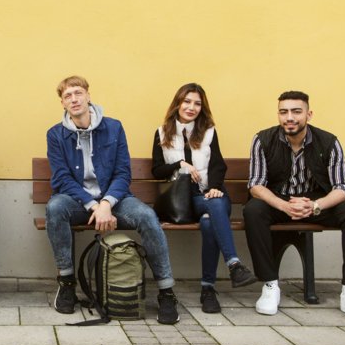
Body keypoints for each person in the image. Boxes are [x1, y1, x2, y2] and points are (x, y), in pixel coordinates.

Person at [46, 75, 180, 324]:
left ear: (88, 95)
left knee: (147, 216)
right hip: (78, 201)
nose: (74, 99)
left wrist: (106, 203)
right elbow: (62, 178)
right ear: (63, 104)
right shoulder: (55, 135)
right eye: (67, 96)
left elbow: (122, 173)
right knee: (55, 208)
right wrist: (94, 205)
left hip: (115, 199)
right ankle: (66, 283)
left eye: (77, 93)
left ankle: (166, 291)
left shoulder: (114, 127)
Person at [244, 91, 345, 323]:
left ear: (309, 114)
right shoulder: (263, 139)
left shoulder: (329, 141)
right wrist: (284, 206)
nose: (290, 117)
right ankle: (270, 285)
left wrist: (315, 205)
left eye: (296, 111)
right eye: (283, 112)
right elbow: (256, 185)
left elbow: (344, 187)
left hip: (317, 202)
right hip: (279, 201)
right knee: (253, 210)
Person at [152, 83, 255, 314]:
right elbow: (156, 170)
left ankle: (212, 285)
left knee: (211, 217)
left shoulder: (208, 131)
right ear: (177, 103)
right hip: (182, 203)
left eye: (197, 103)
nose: (191, 107)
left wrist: (216, 187)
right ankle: (229, 269)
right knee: (211, 212)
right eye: (187, 102)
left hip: (209, 195)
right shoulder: (162, 132)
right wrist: (180, 165)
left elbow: (218, 165)